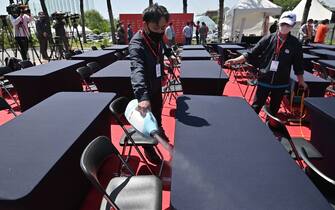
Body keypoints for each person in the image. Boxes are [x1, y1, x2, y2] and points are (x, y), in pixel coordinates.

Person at [225, 11, 307, 116]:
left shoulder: (295, 44)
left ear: (293, 25)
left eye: (288, 25)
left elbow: (298, 64)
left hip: (281, 83)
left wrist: (301, 81)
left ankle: (269, 128)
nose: (285, 27)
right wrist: (236, 60)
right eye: (283, 24)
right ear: (279, 23)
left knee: (274, 110)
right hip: (264, 79)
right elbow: (251, 53)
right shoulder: (268, 38)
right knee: (256, 107)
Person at [129, 3, 170, 164]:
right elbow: (136, 69)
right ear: (145, 24)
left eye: (163, 28)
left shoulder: (157, 37)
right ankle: (148, 148)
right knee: (146, 122)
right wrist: (143, 97)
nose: (160, 31)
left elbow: (161, 50)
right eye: (156, 27)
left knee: (158, 114)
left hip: (156, 84)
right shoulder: (136, 44)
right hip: (144, 90)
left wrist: (165, 66)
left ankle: (159, 130)